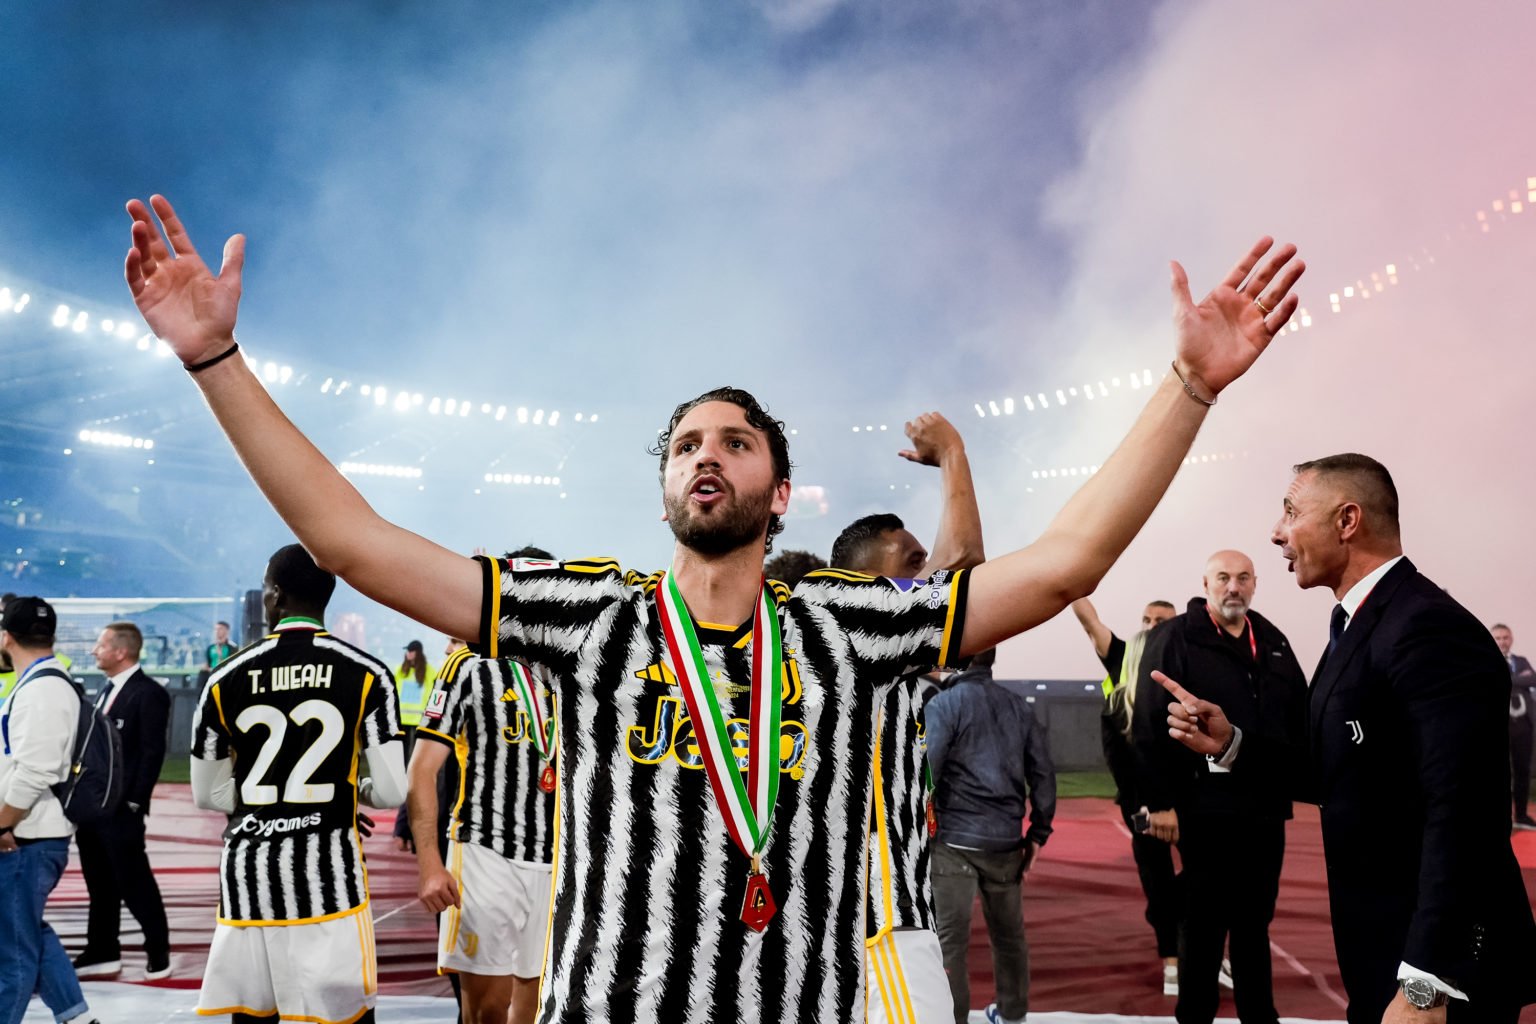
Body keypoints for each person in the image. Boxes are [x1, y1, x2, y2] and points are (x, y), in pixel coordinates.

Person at [122, 192, 1303, 1022]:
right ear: (664, 482)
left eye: (736, 442)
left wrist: (1189, 387)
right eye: (687, 441)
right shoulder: (587, 615)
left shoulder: (850, 620)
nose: (708, 454)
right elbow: (353, 543)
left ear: (776, 490)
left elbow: (1057, 567)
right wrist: (218, 363)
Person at [1162, 455, 1536, 1023]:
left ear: (1347, 521)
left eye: (1290, 511)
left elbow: (1464, 814)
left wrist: (1426, 986)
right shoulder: (1357, 624)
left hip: (1436, 978)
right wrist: (1232, 744)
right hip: (1385, 956)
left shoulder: (1427, 628)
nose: (1276, 532)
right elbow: (1342, 772)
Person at [189, 544, 406, 1024]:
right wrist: (347, 796)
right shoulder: (369, 674)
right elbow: (391, 792)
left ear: (274, 595)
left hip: (250, 880)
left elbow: (209, 795)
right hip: (328, 879)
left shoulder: (224, 678)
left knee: (254, 1017)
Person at [828, 411, 985, 1024]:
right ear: (863, 581)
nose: (927, 572)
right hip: (879, 908)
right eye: (912, 562)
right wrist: (952, 454)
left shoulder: (822, 642)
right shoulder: (860, 629)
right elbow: (967, 563)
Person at [1132, 551, 1306, 1024]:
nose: (1234, 587)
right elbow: (1147, 725)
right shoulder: (1175, 638)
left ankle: (1259, 1016)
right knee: (1204, 922)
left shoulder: (1273, 640)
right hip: (1203, 809)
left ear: (1255, 584)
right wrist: (1161, 803)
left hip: (1265, 811)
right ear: (1206, 583)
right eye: (1224, 578)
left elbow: (1298, 717)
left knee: (1254, 922)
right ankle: (1195, 1016)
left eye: (1243, 578)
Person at [409, 546, 557, 1024]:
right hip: (485, 852)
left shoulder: (569, 671)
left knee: (534, 1009)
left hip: (556, 862)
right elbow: (422, 769)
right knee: (486, 1010)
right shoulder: (467, 666)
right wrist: (431, 864)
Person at [926, 647, 1055, 1024]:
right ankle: (1013, 1013)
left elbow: (927, 774)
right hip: (1005, 841)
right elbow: (1044, 775)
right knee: (1009, 935)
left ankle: (954, 1019)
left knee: (951, 942)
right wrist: (1038, 833)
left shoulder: (945, 705)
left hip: (953, 843)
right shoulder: (1019, 707)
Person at [1069, 595, 1182, 993]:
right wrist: (1070, 578)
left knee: (1204, 880)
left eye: (1163, 621)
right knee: (1157, 881)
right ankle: (1173, 961)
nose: (1152, 626)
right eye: (1147, 619)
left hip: (1187, 797)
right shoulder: (1124, 658)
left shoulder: (1188, 662)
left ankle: (1199, 951)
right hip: (1140, 798)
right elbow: (1088, 620)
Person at [0, 597, 96, 1024]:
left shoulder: (43, 687)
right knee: (26, 932)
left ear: (6, 637)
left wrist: (3, 822)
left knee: (12, 950)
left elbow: (34, 771)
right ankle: (75, 1016)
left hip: (28, 835)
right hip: (30, 831)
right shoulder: (44, 681)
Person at [72, 622, 173, 981]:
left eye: (100, 646)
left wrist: (134, 802)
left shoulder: (148, 693)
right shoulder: (103, 691)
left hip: (121, 810)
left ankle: (158, 950)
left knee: (134, 882)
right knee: (98, 882)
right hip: (94, 808)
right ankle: (102, 949)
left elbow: (151, 753)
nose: (94, 651)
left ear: (121, 651)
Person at [1492, 624, 1536, 829]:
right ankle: (1501, 818)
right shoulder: (1487, 659)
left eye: (1505, 637)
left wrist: (1507, 679)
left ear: (1511, 639)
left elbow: (1533, 678)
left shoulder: (1521, 661)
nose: (1502, 641)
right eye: (1498, 638)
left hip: (1524, 725)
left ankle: (1521, 815)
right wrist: (1520, 680)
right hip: (1498, 724)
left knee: (1522, 770)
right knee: (1498, 771)